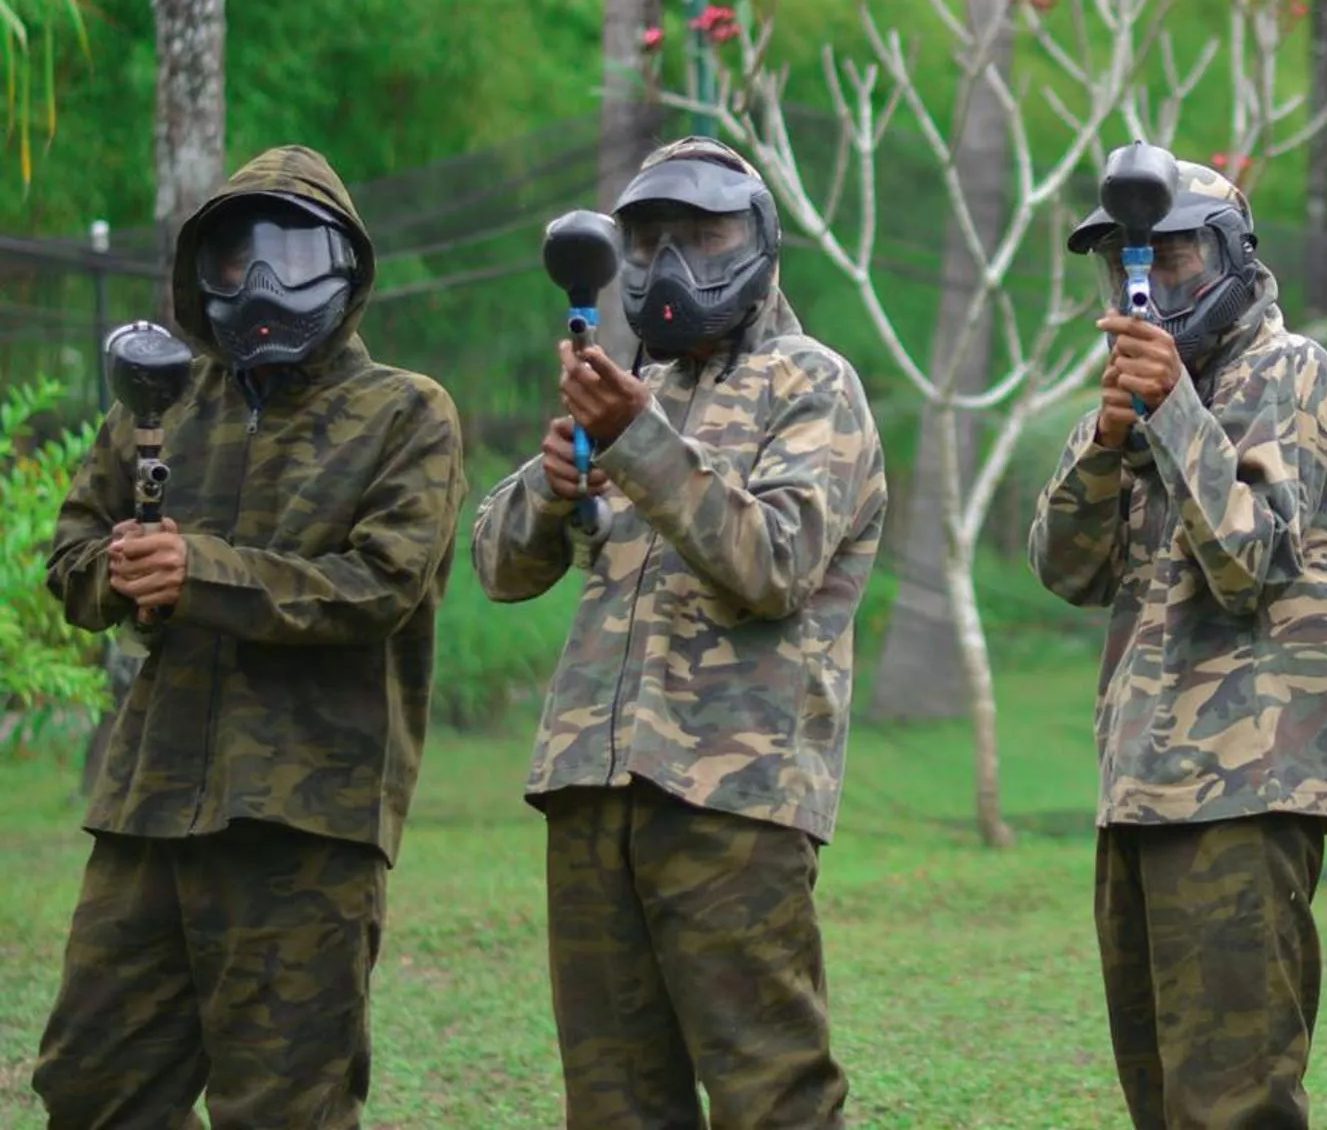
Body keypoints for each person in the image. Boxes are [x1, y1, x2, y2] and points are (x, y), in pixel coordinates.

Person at [35, 145, 467, 1128]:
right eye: (235, 260)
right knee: (90, 1088)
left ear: (347, 268)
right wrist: (118, 570)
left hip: (305, 820)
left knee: (283, 1105)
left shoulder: (405, 414)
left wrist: (204, 572)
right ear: (201, 276)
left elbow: (382, 586)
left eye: (293, 255)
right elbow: (72, 554)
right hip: (150, 807)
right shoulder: (164, 402)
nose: (264, 283)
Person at [469, 136, 885, 1130]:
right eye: (650, 243)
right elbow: (497, 565)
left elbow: (774, 565)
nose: (673, 266)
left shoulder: (811, 385)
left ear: (760, 242)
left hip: (731, 794)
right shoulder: (616, 390)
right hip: (591, 787)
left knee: (769, 1095)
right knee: (614, 1103)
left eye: (705, 237)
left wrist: (636, 442)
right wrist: (551, 483)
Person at [1027, 151, 1327, 1130]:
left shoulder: (1293, 374)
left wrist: (1172, 414)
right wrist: (1107, 443)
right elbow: (1064, 571)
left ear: (1233, 256)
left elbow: (1255, 565)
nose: (1150, 291)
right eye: (1129, 267)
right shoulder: (1140, 397)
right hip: (1144, 781)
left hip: (1248, 784)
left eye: (1176, 261)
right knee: (1158, 1094)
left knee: (1233, 1102)